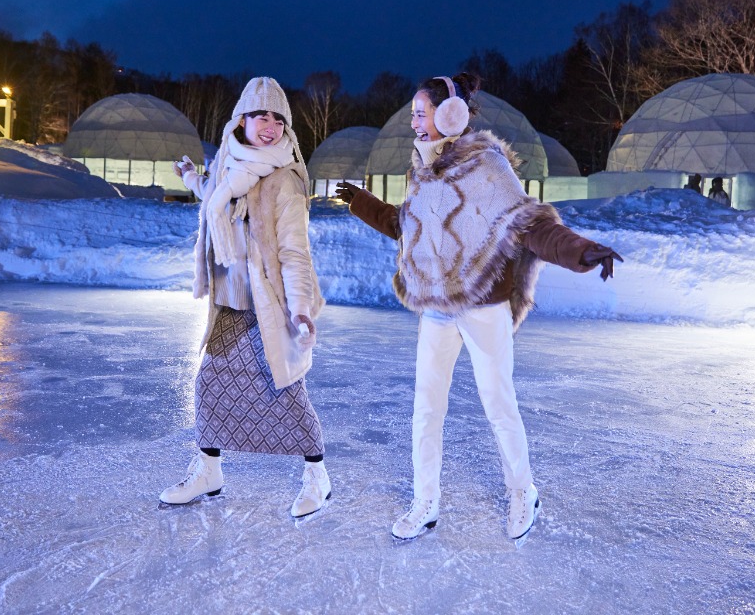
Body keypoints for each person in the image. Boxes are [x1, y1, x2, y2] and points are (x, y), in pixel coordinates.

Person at [335, 73, 622, 541]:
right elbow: (406, 227)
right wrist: (363, 203)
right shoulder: (422, 169)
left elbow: (527, 224)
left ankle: (521, 490)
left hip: (482, 304)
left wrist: (579, 250)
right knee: (426, 409)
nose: (413, 122)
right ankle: (425, 501)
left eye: (420, 113)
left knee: (497, 403)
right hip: (436, 306)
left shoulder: (485, 166)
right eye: (412, 113)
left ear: (450, 115)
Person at [159, 76, 331, 519]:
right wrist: (193, 179)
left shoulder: (284, 181)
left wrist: (300, 308)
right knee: (211, 386)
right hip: (229, 302)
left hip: (268, 306)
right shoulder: (228, 166)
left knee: (286, 392)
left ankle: (317, 478)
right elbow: (217, 197)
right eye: (260, 115)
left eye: (278, 118)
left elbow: (295, 252)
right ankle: (208, 471)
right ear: (241, 120)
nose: (269, 126)